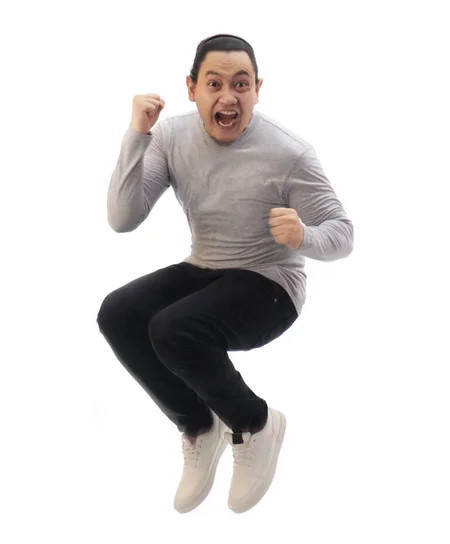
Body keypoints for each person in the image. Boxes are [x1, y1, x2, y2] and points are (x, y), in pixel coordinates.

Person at [97, 33, 354, 514]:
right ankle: (198, 425)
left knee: (172, 329)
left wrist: (304, 238)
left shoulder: (289, 153)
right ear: (192, 89)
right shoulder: (171, 136)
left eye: (241, 84)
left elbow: (343, 234)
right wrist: (136, 134)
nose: (228, 97)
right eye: (214, 83)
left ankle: (254, 423)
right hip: (205, 265)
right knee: (118, 314)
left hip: (271, 284)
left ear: (258, 89)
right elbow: (122, 218)